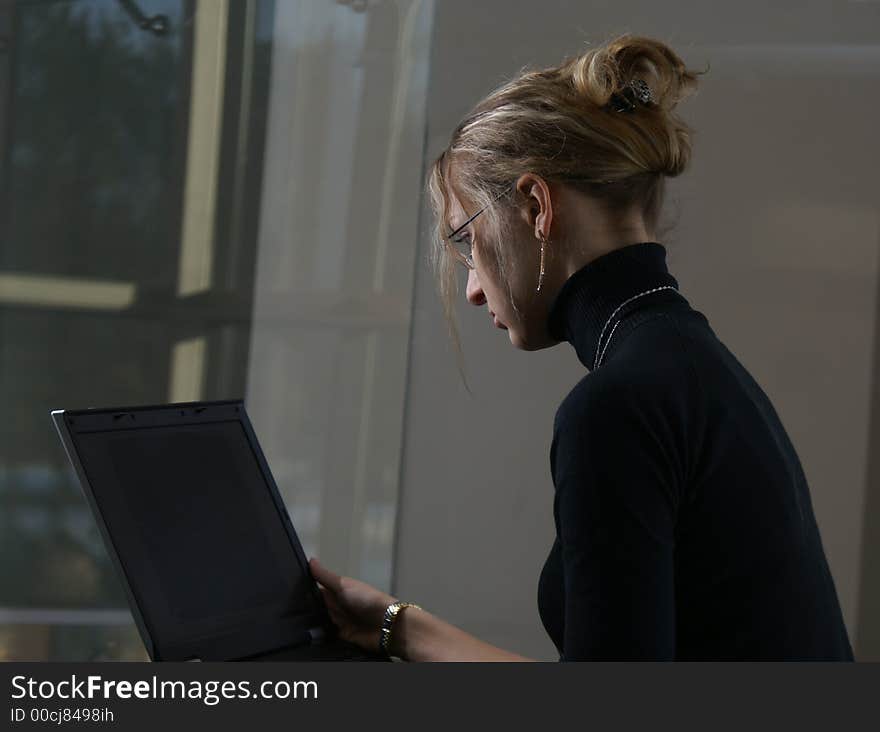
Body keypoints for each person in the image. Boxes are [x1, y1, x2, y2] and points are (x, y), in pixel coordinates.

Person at [309, 33, 855, 661]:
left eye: (466, 239)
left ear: (537, 206)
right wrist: (399, 627)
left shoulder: (617, 407)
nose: (472, 290)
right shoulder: (693, 366)